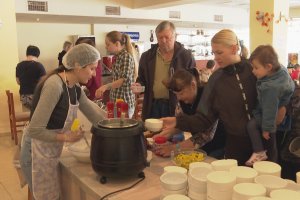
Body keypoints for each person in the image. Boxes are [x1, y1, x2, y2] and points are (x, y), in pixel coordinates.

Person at [20, 43, 105, 200]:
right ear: (78, 65)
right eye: (92, 68)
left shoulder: (74, 88)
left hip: (49, 149)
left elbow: (95, 116)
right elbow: (35, 130)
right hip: (35, 151)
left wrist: (118, 125)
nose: (94, 74)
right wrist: (66, 137)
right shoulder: (54, 85)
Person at [161, 29, 258, 165]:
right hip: (235, 146)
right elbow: (204, 119)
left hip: (263, 142)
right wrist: (178, 122)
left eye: (219, 53)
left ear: (234, 49)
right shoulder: (216, 80)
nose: (215, 58)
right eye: (213, 53)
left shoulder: (254, 70)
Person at [153, 68, 226, 159]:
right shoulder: (183, 101)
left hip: (218, 146)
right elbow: (181, 124)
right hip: (200, 147)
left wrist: (175, 148)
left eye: (181, 93)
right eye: (176, 94)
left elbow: (205, 136)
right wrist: (165, 135)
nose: (178, 98)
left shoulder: (208, 97)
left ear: (193, 85)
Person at [133, 20, 196, 121]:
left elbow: (192, 84)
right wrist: (139, 86)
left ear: (175, 36)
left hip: (177, 105)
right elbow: (141, 79)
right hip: (152, 105)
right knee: (151, 135)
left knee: (173, 135)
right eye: (160, 37)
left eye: (167, 37)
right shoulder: (147, 56)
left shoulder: (186, 56)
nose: (163, 41)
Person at [245, 45, 295, 166]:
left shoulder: (270, 88)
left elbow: (269, 109)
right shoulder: (280, 70)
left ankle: (259, 152)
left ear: (268, 67)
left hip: (274, 113)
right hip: (283, 107)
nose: (253, 71)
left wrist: (267, 129)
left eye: (256, 68)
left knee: (251, 125)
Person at [95, 31, 137, 118]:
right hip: (117, 101)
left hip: (125, 102)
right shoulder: (117, 57)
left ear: (117, 44)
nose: (106, 47)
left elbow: (123, 80)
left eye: (108, 44)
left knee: (123, 128)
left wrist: (106, 86)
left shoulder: (126, 57)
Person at [16, 45, 46, 110]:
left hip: (23, 98)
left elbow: (18, 82)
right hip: (35, 97)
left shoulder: (19, 65)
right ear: (37, 55)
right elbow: (44, 82)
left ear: (27, 54)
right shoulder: (39, 66)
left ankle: (33, 118)